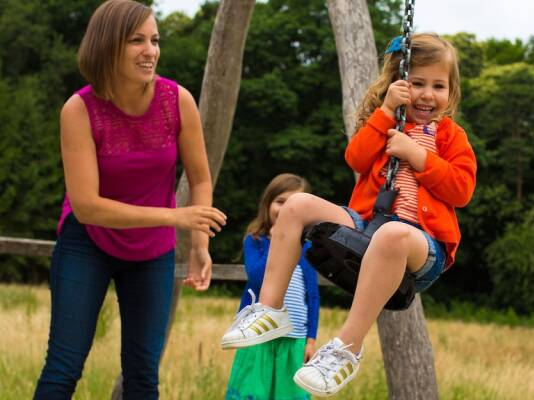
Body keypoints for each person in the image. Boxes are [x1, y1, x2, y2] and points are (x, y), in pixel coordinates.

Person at [220, 32, 477, 397]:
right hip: (368, 226)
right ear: (397, 84)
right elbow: (355, 158)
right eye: (417, 83)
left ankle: (346, 348)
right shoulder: (385, 122)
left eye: (438, 85)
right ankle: (270, 309)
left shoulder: (451, 136)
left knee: (393, 236)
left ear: (451, 93)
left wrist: (417, 156)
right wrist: (387, 112)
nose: (426, 94)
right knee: (296, 205)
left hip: (423, 248)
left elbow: (462, 189)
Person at [33, 1, 227, 398]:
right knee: (64, 368)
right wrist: (174, 218)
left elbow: (201, 179)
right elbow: (87, 206)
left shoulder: (177, 101)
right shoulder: (79, 110)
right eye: (136, 40)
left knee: (142, 376)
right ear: (108, 45)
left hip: (152, 252)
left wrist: (199, 245)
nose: (150, 50)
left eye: (154, 40)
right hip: (87, 242)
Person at [225, 173, 320, 400]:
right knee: (252, 392)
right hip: (257, 336)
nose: (286, 209)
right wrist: (278, 241)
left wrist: (311, 340)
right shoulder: (255, 241)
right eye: (280, 201)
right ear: (268, 204)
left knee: (290, 394)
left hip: (294, 338)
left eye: (294, 204)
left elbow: (313, 297)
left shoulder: (306, 249)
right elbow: (257, 277)